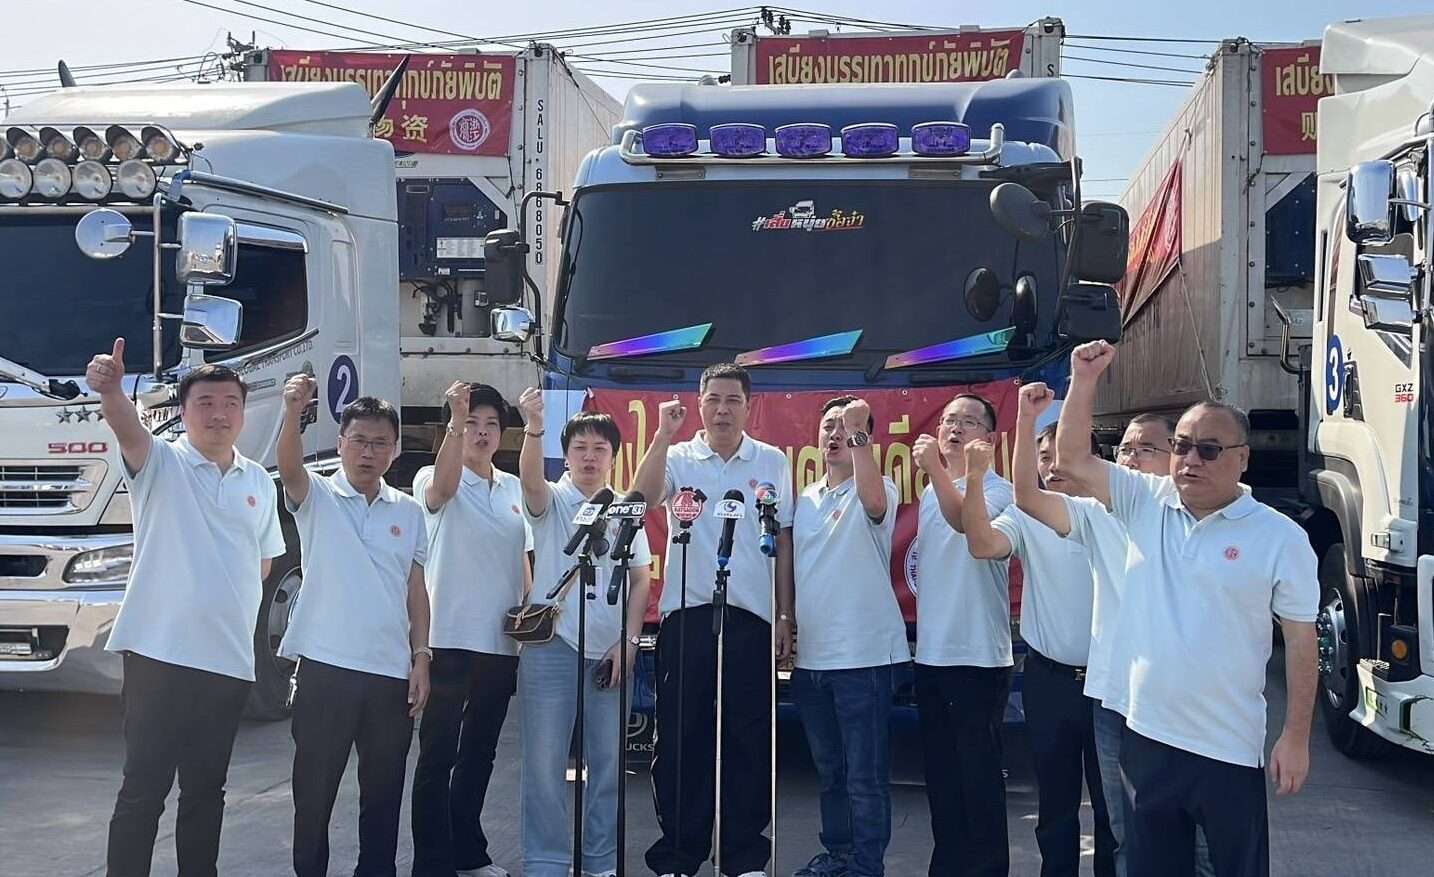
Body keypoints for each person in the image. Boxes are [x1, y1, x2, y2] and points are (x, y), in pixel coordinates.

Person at [1050, 341, 1318, 877]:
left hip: (1228, 749)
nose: (1191, 460)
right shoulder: (1146, 500)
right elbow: (1073, 459)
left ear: (1243, 458)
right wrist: (1084, 379)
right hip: (1146, 741)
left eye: (1209, 450)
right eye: (1182, 446)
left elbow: (1301, 641)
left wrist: (1295, 736)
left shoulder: (1280, 537)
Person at [93, 339, 286, 877]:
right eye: (205, 403)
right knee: (144, 788)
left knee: (206, 791)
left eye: (230, 403)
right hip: (159, 656)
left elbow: (263, 563)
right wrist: (111, 391)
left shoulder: (257, 480)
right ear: (184, 410)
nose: (219, 414)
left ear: (244, 412)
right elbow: (127, 428)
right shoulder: (162, 462)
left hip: (226, 662)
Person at [630, 362, 795, 877]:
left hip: (751, 616)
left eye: (733, 400)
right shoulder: (679, 456)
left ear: (749, 406)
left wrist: (784, 613)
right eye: (713, 400)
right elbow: (642, 498)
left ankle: (743, 856)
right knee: (683, 738)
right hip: (689, 615)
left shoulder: (771, 461)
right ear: (698, 404)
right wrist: (662, 435)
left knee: (749, 739)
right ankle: (680, 854)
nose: (723, 410)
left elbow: (783, 541)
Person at [276, 376, 431, 877]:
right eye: (359, 440)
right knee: (313, 796)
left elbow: (416, 591)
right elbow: (288, 467)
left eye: (380, 442)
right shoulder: (317, 495)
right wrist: (292, 411)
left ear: (395, 449)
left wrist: (421, 658)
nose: (369, 452)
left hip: (389, 674)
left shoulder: (409, 511)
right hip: (325, 669)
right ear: (341, 442)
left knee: (383, 797)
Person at [959, 383, 1115, 877]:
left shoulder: (1119, 514)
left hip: (1111, 685)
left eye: (1062, 455)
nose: (1052, 466)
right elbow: (982, 545)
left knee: (1114, 810)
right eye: (1043, 457)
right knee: (1056, 808)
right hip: (1051, 682)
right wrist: (975, 479)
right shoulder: (1027, 516)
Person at [515, 389, 653, 877]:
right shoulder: (552, 500)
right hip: (552, 648)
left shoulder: (625, 510)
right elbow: (530, 483)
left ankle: (600, 861)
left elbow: (641, 579)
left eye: (600, 449)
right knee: (544, 763)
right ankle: (546, 862)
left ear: (614, 457)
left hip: (609, 653)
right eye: (580, 448)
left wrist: (628, 642)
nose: (590, 457)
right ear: (566, 455)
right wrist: (534, 426)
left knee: (609, 764)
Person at [411, 382, 532, 877]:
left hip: (499, 644)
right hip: (447, 640)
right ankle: (431, 863)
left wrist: (531, 612)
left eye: (490, 425)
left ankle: (468, 853)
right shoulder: (432, 476)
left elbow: (522, 558)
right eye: (470, 424)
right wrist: (455, 421)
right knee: (437, 755)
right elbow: (441, 492)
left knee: (479, 755)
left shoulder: (513, 488)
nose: (481, 433)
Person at [787, 396, 909, 877]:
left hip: (865, 659)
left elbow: (874, 504)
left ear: (865, 437)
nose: (835, 434)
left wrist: (859, 437)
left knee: (864, 776)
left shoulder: (878, 487)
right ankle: (838, 855)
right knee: (830, 773)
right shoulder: (806, 497)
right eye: (828, 426)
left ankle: (866, 865)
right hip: (813, 661)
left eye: (847, 427)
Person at [910, 393, 1013, 877]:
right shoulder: (932, 491)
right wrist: (937, 475)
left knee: (979, 781)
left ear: (988, 439)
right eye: (949, 420)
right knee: (942, 780)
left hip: (978, 657)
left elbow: (965, 525)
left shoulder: (998, 490)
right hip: (932, 656)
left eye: (968, 422)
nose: (954, 429)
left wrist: (935, 469)